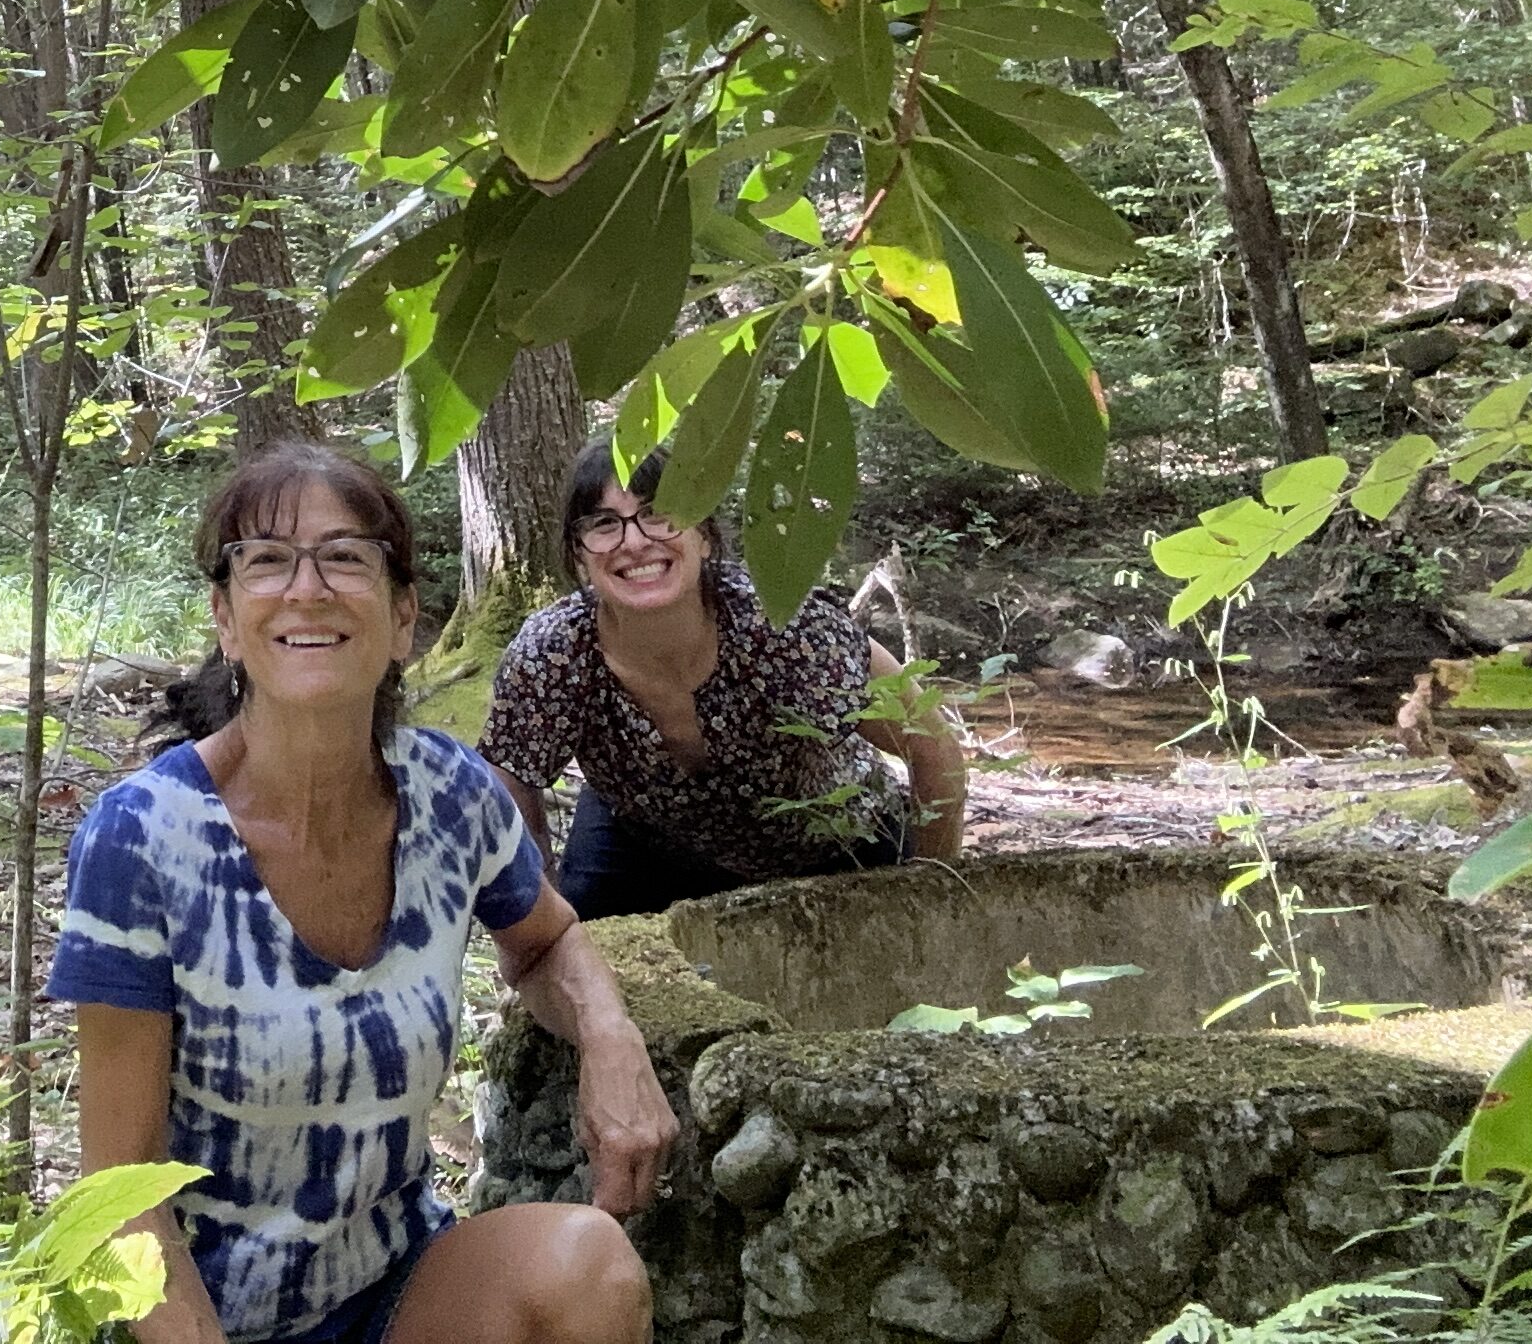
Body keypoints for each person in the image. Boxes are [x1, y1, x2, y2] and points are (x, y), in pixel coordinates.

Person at [48, 445, 676, 1344]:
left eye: (346, 557)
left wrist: (611, 1039)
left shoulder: (449, 793)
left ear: (403, 616)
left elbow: (546, 940)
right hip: (202, 1321)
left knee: (587, 1268)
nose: (308, 589)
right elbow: (119, 1195)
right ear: (227, 619)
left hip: (392, 1293)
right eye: (268, 560)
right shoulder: (142, 839)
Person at [478, 438, 968, 921]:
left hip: (832, 841)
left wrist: (929, 899)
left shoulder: (782, 624)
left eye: (658, 512)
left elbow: (931, 743)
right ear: (578, 555)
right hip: (646, 838)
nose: (635, 541)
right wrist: (541, 923)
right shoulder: (554, 651)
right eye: (604, 524)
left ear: (705, 536)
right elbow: (508, 780)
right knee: (584, 942)